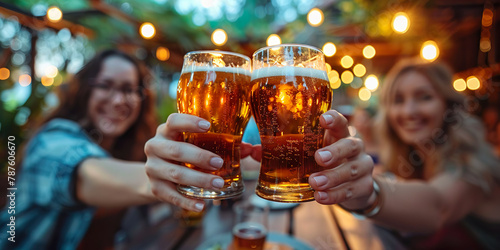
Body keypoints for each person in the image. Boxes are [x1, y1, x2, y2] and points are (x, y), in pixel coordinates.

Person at [1, 49, 258, 249]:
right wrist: (155, 179)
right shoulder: (51, 141)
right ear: (84, 91)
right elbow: (86, 173)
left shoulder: (131, 147)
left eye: (128, 90)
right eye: (105, 85)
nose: (118, 100)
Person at [308, 58, 500, 249]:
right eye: (398, 100)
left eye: (424, 97)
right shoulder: (412, 159)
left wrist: (369, 193)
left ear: (449, 105)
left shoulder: (472, 163)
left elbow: (437, 206)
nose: (409, 111)